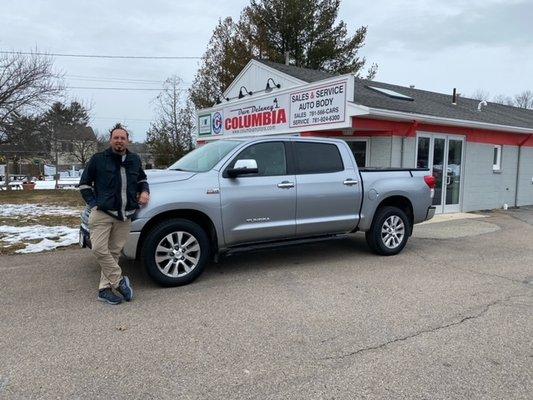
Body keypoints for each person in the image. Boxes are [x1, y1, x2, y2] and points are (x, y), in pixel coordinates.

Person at [79, 123, 150, 304]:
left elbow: (142, 179)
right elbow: (85, 185)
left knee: (114, 251)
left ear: (127, 141)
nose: (119, 141)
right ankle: (119, 281)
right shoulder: (98, 159)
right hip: (102, 212)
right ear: (110, 140)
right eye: (116, 138)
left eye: (122, 138)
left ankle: (104, 289)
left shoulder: (134, 159)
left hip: (126, 214)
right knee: (99, 249)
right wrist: (94, 204)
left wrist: (144, 191)